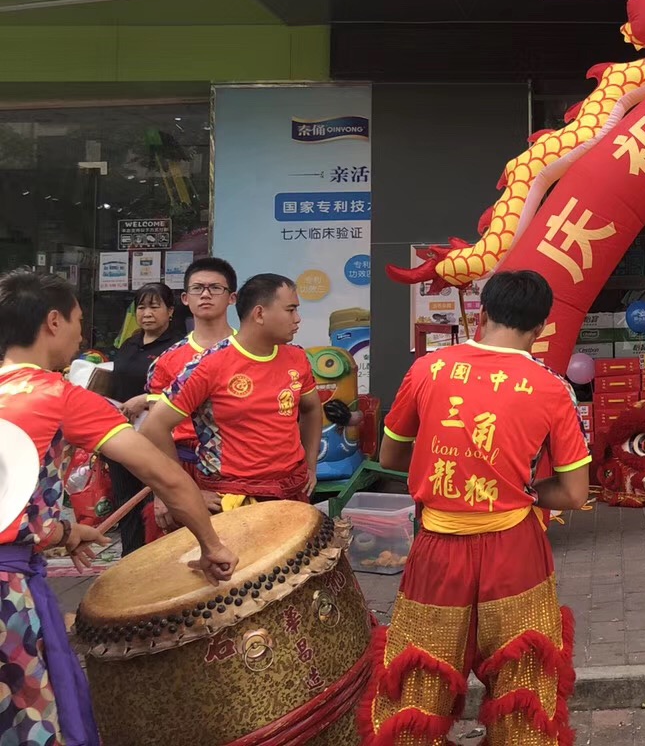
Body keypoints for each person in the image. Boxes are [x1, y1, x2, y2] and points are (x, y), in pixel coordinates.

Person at [0, 269, 235, 744]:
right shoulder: (60, 396)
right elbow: (164, 474)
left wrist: (67, 533)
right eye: (77, 321)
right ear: (53, 322)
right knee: (30, 722)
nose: (80, 335)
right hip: (8, 595)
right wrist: (212, 545)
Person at [359, 270, 590, 746]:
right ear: (541, 327)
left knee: (419, 678)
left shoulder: (427, 369)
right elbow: (574, 494)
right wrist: (524, 491)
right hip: (516, 552)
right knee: (524, 682)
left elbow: (390, 457)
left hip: (437, 550)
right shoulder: (553, 388)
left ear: (482, 315)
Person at [142, 273, 322, 509]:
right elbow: (154, 427)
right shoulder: (207, 365)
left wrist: (310, 466)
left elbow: (312, 409)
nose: (297, 319)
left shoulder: (297, 357)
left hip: (291, 488)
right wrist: (185, 490)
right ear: (259, 314)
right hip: (232, 495)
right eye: (291, 310)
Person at [122, 256, 238, 532]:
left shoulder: (250, 352)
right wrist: (163, 492)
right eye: (198, 288)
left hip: (241, 469)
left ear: (232, 298)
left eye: (215, 288)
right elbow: (152, 432)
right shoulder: (167, 361)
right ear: (185, 298)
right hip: (182, 466)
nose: (206, 294)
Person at [106, 281, 187, 555]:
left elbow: (184, 393)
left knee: (158, 507)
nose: (147, 313)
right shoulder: (129, 344)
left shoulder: (178, 347)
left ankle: (158, 562)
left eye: (154, 306)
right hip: (123, 435)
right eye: (141, 307)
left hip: (159, 439)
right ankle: (129, 560)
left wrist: (146, 400)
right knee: (126, 503)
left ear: (171, 311)